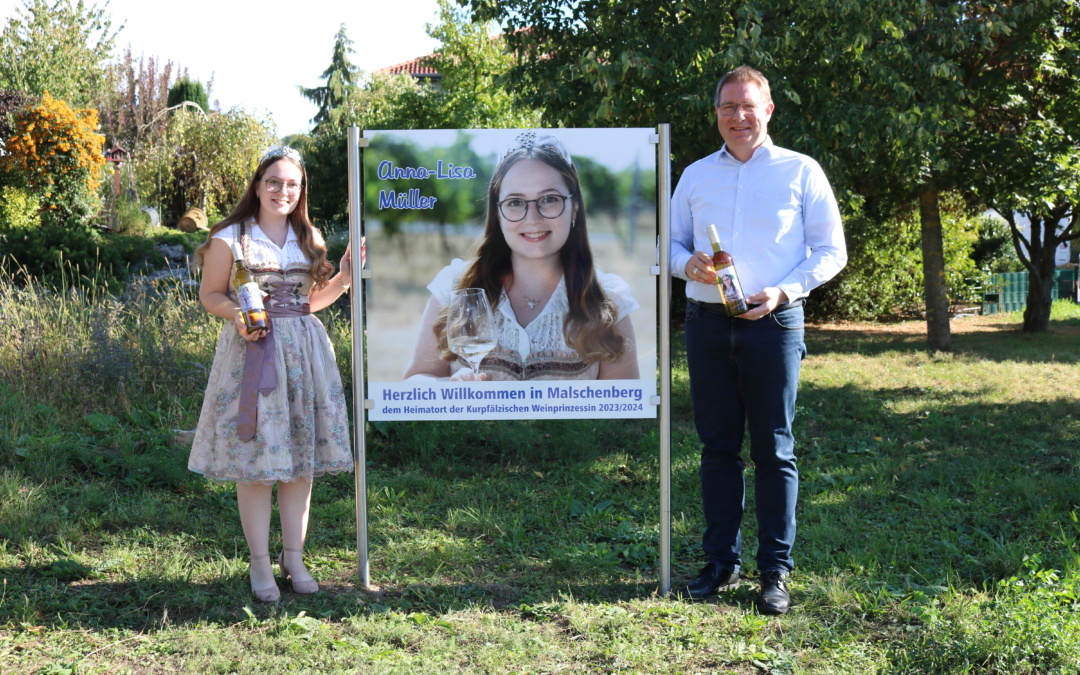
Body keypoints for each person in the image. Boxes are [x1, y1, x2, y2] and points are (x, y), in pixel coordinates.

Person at [670, 66, 846, 614]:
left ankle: (775, 571)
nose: (738, 116)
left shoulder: (802, 171)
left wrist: (784, 292)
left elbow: (830, 251)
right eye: (727, 107)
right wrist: (687, 264)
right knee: (718, 448)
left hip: (774, 323)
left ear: (768, 110)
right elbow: (669, 248)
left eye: (748, 106)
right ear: (716, 114)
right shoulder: (696, 175)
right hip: (706, 324)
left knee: (775, 449)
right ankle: (720, 562)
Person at [188, 145, 363, 602]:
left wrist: (343, 280)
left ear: (301, 190)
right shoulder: (230, 236)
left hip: (305, 356)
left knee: (298, 464)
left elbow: (308, 303)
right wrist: (239, 315)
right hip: (254, 354)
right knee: (259, 466)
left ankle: (295, 556)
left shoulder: (309, 236)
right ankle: (260, 564)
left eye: (292, 184)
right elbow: (210, 295)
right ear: (257, 185)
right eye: (273, 181)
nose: (282, 191)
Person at [403, 131, 639, 382]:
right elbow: (414, 381)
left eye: (549, 199)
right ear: (498, 213)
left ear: (575, 208)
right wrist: (447, 389)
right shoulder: (455, 287)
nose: (533, 218)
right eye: (515, 202)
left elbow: (626, 410)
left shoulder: (609, 299)